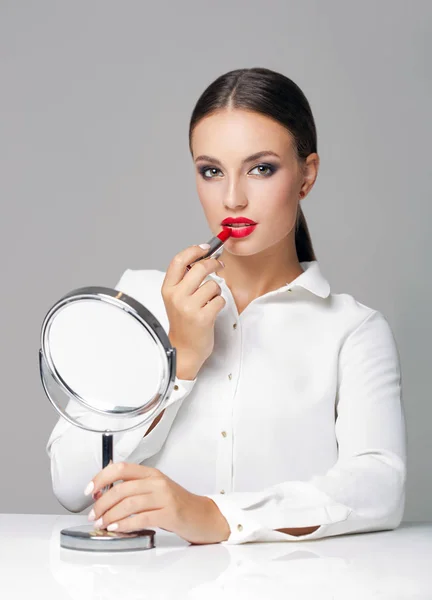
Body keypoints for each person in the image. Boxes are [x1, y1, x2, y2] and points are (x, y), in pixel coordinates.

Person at [46, 67, 407, 545]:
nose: (232, 198)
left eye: (261, 168)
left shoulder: (354, 330)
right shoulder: (139, 297)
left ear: (307, 175)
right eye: (211, 171)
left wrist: (215, 515)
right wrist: (180, 358)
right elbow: (70, 484)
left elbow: (379, 487)